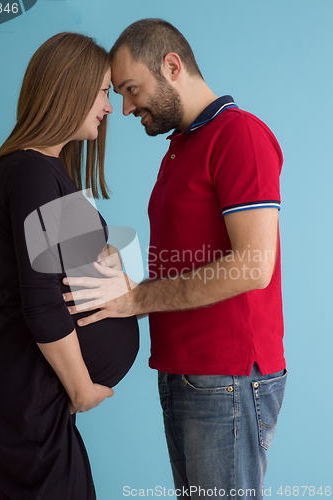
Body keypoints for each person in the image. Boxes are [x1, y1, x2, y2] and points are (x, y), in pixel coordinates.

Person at [62, 19, 287, 500]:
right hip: (185, 372)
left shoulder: (238, 136)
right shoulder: (180, 147)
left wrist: (136, 298)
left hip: (225, 378)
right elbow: (191, 253)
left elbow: (254, 265)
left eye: (131, 89)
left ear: (172, 66)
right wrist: (120, 272)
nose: (124, 108)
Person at [0, 32, 139, 500]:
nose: (109, 107)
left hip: (34, 398)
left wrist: (121, 275)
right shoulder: (30, 173)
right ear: (71, 87)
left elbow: (80, 279)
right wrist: (82, 390)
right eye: (104, 91)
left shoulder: (44, 172)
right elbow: (42, 301)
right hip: (26, 395)